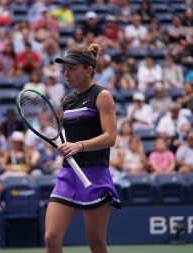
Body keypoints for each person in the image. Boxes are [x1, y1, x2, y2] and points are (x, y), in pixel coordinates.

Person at [45, 43, 120, 253]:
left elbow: (110, 137)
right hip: (68, 175)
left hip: (95, 176)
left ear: (88, 70)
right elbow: (64, 135)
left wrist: (79, 146)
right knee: (51, 237)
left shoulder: (102, 96)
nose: (66, 74)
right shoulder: (68, 100)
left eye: (72, 68)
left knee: (96, 244)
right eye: (65, 69)